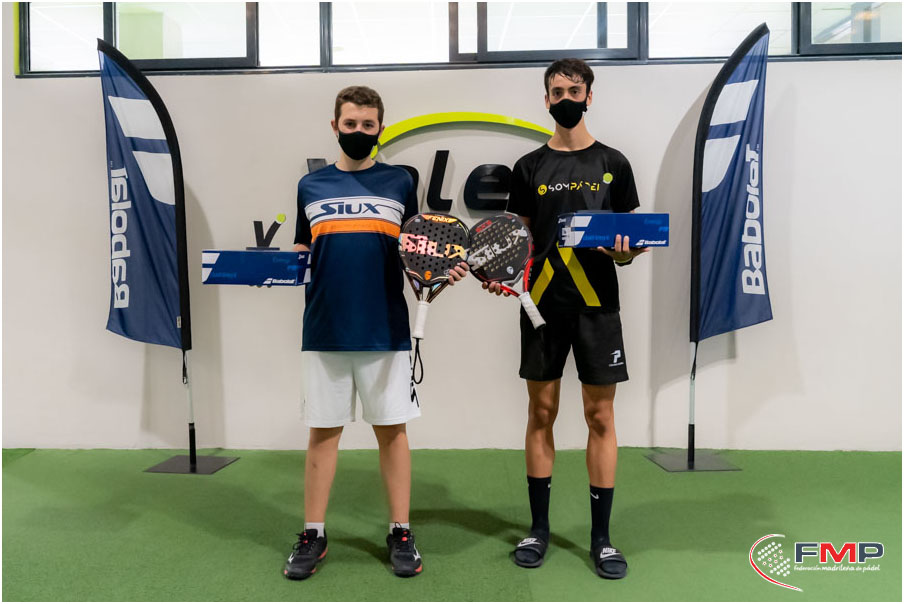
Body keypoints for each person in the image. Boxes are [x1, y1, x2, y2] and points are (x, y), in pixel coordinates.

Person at [284, 85, 467, 580]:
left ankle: (400, 532)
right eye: (351, 124)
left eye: (368, 125)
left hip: (386, 328)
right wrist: (265, 269)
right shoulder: (310, 186)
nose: (359, 131)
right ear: (335, 126)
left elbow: (418, 251)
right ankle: (313, 534)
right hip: (324, 329)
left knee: (393, 433)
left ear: (379, 128)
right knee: (323, 434)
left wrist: (442, 271)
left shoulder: (399, 183)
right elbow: (302, 252)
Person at [485, 58, 648, 579]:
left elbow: (630, 245)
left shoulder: (615, 163)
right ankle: (539, 529)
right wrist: (499, 273)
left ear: (589, 96)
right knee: (541, 413)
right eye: (556, 92)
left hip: (598, 308)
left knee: (601, 417)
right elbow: (515, 242)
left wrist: (625, 251)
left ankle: (602, 539)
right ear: (546, 100)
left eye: (574, 91)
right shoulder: (528, 167)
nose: (565, 100)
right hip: (541, 308)